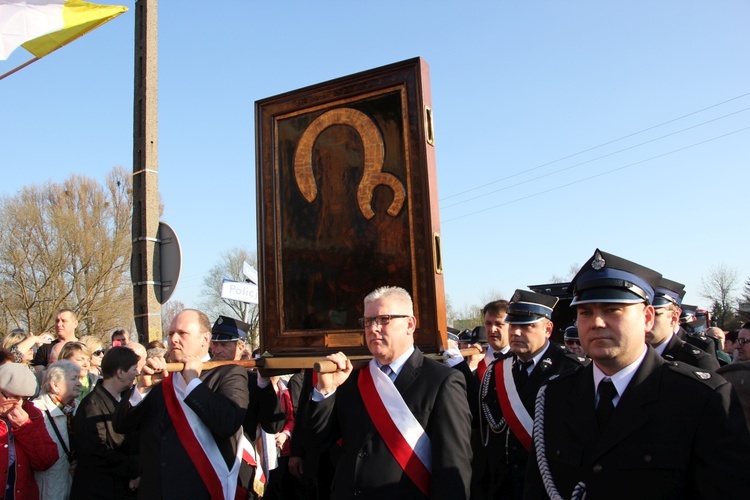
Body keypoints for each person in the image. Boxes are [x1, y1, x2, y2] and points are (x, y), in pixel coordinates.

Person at [525, 249, 750, 499]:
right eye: (585, 312)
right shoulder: (555, 395)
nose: (596, 322)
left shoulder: (700, 398)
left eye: (613, 310)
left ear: (647, 317)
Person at [307, 286, 472, 499]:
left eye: (384, 319)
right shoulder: (352, 378)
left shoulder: (441, 382)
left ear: (410, 324)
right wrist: (326, 391)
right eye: (368, 321)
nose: (373, 328)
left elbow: (453, 468)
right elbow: (316, 443)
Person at [113, 309, 249, 499]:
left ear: (205, 339)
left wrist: (192, 382)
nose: (173, 339)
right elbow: (121, 425)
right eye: (170, 334)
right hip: (155, 492)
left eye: (182, 333)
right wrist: (142, 388)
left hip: (200, 490)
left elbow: (227, 422)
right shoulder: (159, 378)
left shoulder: (228, 373)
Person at [480, 289, 585, 499]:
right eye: (514, 324)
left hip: (550, 487)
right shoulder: (497, 370)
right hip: (504, 487)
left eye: (527, 326)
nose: (516, 332)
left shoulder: (572, 370)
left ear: (548, 329)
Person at [209, 315, 284, 499]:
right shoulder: (201, 379)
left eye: (224, 345)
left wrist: (264, 383)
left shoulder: (254, 383)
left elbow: (274, 425)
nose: (217, 350)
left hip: (240, 464)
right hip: (207, 462)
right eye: (215, 344)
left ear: (240, 347)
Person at [71, 346, 141, 499]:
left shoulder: (125, 399)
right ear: (120, 372)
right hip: (98, 491)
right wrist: (135, 467)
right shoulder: (91, 405)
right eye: (134, 369)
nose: (137, 373)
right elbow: (96, 453)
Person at [0, 362, 59, 497]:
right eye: (12, 396)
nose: (18, 404)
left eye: (24, 399)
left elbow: (45, 461)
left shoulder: (31, 414)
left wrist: (25, 427)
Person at [645, 278, 719, 371]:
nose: (645, 321)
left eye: (655, 314)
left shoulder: (698, 361)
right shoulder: (630, 356)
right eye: (640, 314)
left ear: (674, 317)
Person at [32, 360, 81, 500]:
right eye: (73, 379)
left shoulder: (78, 409)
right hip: (47, 487)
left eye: (78, 378)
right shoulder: (37, 411)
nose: (79, 383)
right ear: (54, 385)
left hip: (72, 486)